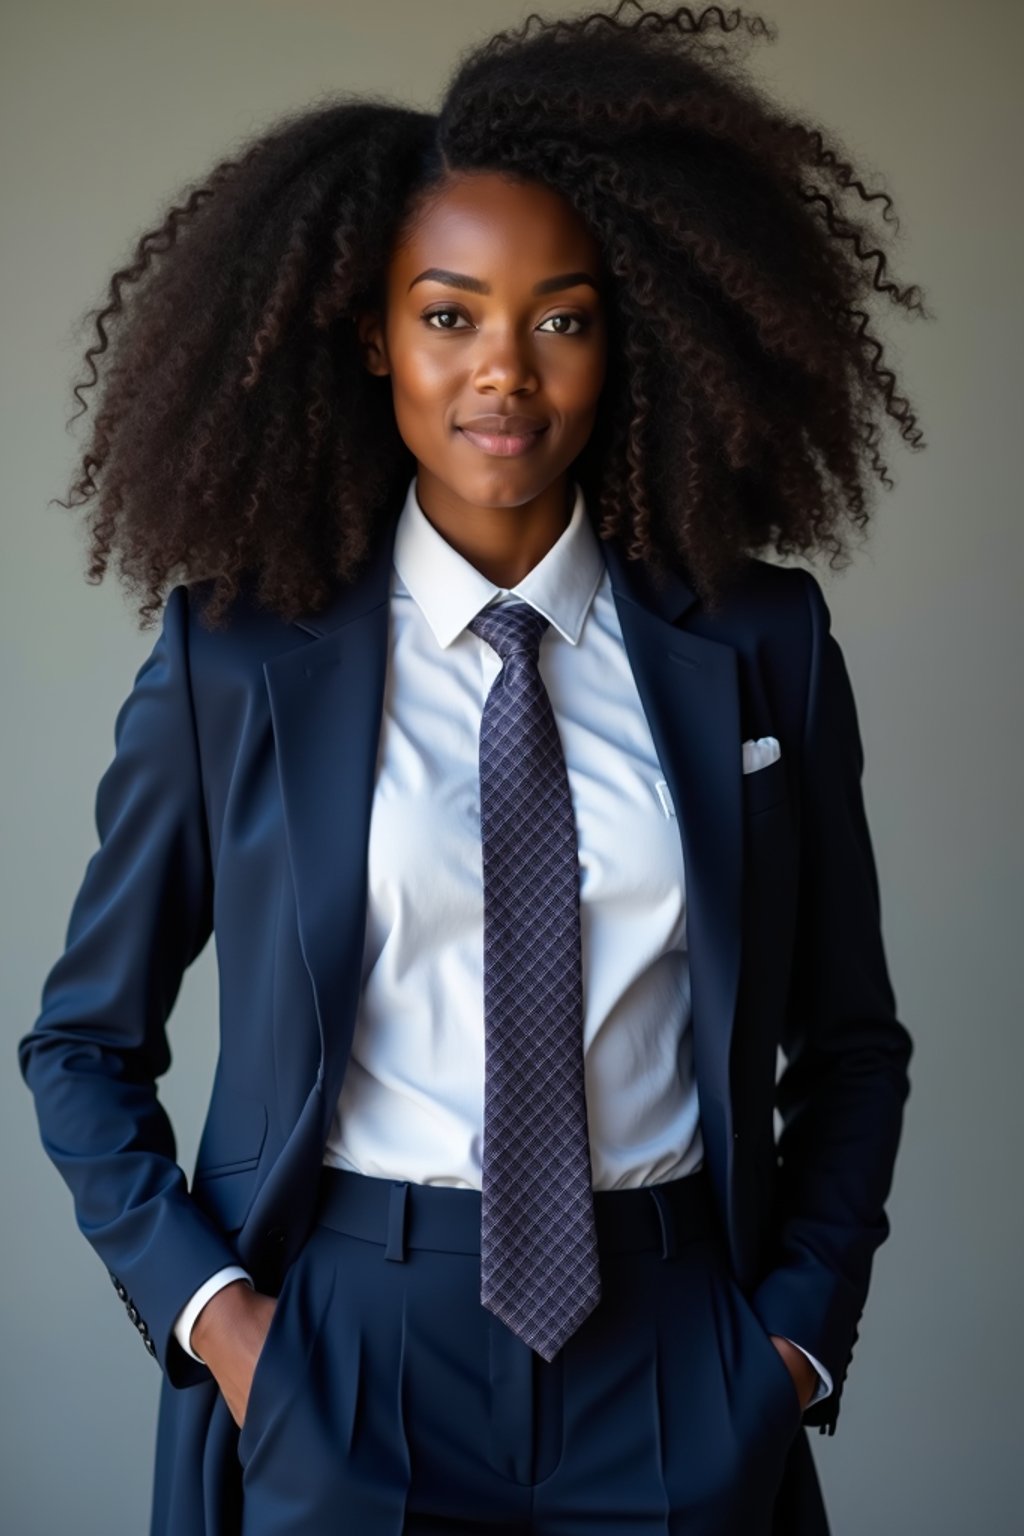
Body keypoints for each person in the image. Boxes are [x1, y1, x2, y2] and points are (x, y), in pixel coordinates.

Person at [18, 4, 923, 1533]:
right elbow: (81, 1048)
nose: (505, 370)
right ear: (375, 333)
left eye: (561, 317)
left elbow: (851, 1049)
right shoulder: (234, 660)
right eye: (451, 315)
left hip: (674, 1353)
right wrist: (225, 1327)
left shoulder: (761, 644)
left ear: (624, 336)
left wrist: (789, 1349)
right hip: (345, 1354)